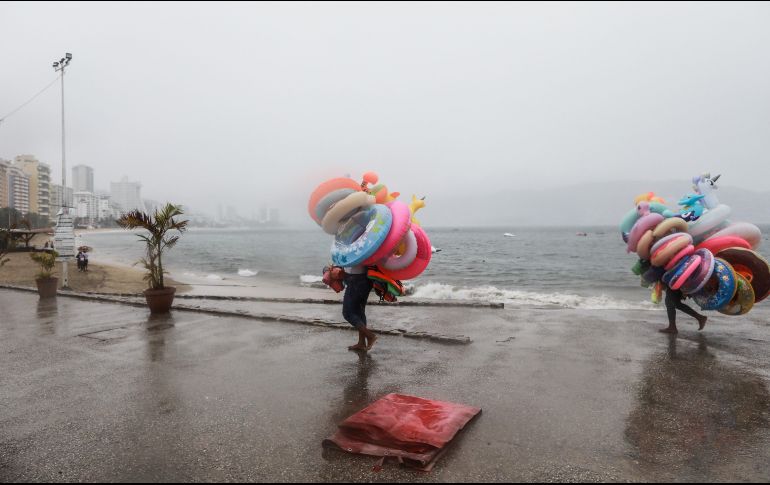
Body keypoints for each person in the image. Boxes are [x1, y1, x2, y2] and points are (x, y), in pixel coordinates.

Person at [342, 264, 377, 351]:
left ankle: (370, 336)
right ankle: (361, 343)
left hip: (355, 279)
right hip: (366, 278)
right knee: (360, 312)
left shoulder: (352, 249)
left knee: (347, 313)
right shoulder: (367, 250)